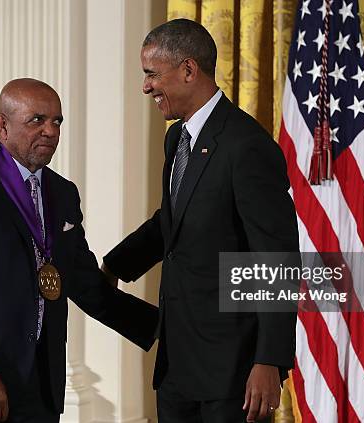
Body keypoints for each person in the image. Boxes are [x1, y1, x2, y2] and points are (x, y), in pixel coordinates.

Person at [0, 78, 158, 423]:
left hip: (40, 386)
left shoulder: (63, 193)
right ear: (3, 125)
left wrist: (163, 326)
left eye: (57, 121)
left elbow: (85, 283)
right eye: (37, 120)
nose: (50, 131)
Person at [101, 19, 300, 423]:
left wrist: (270, 361)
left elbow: (277, 258)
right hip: (178, 364)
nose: (145, 87)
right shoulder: (178, 139)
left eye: (152, 74)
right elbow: (173, 220)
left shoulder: (247, 146)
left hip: (233, 374)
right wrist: (114, 266)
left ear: (189, 70)